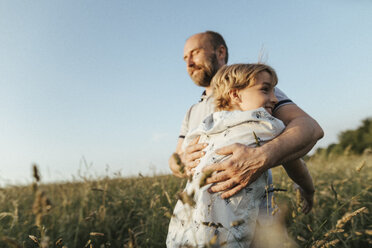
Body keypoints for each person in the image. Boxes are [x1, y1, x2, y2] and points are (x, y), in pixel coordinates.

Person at [166, 63, 315, 247]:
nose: (274, 99)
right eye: (266, 90)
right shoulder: (263, 124)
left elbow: (182, 159)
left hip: (186, 230)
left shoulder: (202, 130)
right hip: (232, 230)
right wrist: (308, 191)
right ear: (235, 94)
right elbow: (297, 165)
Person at [169, 31, 323, 199]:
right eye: (185, 58)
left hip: (248, 213)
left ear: (220, 52)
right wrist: (181, 163)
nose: (189, 63)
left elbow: (309, 128)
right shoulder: (192, 111)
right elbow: (176, 158)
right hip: (198, 212)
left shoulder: (252, 89)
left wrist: (261, 157)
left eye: (195, 53)